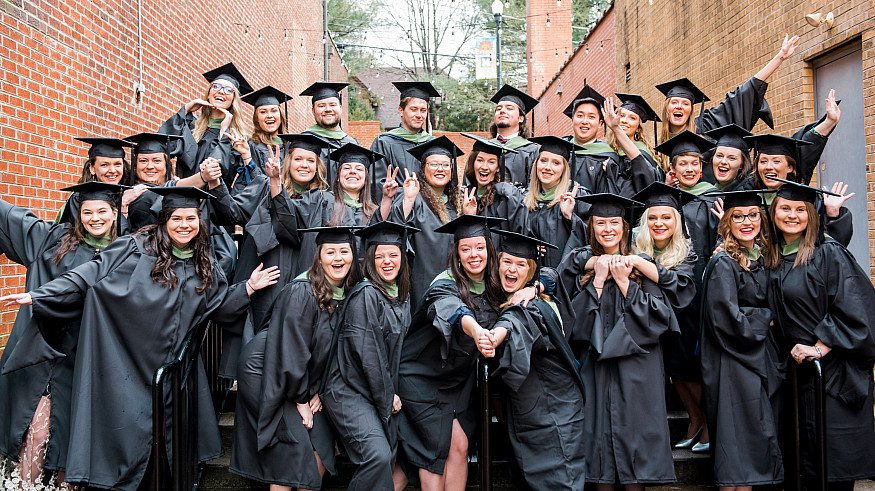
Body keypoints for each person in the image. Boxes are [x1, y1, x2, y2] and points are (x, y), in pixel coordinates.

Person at [0, 187, 278, 491]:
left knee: (162, 448)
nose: (184, 225)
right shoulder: (135, 248)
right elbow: (89, 274)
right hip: (126, 365)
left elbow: (216, 307)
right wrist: (39, 295)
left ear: (200, 223)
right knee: (125, 443)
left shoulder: (204, 265)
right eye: (176, 218)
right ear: (163, 221)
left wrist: (247, 289)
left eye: (191, 219)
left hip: (168, 374)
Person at [0, 182, 124, 488]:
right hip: (47, 352)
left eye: (101, 211)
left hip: (93, 359)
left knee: (76, 438)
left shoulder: (128, 250)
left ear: (115, 212)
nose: (94, 218)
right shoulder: (55, 240)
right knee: (36, 432)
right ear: (78, 214)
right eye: (87, 212)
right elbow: (12, 217)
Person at [559, 193, 678, 489]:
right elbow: (572, 324)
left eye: (614, 222)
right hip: (597, 367)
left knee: (634, 450)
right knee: (598, 448)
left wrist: (625, 283)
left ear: (625, 227)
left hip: (638, 367)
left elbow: (659, 319)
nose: (608, 229)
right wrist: (598, 282)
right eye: (600, 223)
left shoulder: (643, 264)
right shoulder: (580, 268)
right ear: (591, 227)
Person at [230, 226, 360, 491]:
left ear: (353, 256)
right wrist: (301, 398)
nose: (338, 258)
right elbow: (291, 349)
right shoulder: (303, 290)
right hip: (266, 373)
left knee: (322, 442)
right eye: (330, 252)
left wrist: (318, 391)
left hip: (299, 377)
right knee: (291, 445)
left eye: (344, 251)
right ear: (318, 257)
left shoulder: (346, 294)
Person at [764, 180, 875, 489]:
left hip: (832, 375)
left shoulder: (828, 253)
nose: (792, 215)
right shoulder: (774, 256)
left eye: (801, 210)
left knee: (831, 466)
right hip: (797, 377)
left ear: (812, 216)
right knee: (805, 465)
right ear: (773, 212)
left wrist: (821, 345)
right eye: (784, 208)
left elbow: (856, 304)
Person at [395, 215, 509, 491]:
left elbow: (546, 276)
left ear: (489, 249)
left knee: (459, 445)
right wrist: (477, 331)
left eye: (480, 247)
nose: (474, 255)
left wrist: (535, 288)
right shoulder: (444, 283)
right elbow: (453, 310)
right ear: (456, 254)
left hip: (455, 383)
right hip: (421, 378)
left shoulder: (496, 283)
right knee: (435, 451)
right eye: (466, 248)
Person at [480, 229, 587, 490]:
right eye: (507, 262)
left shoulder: (534, 306)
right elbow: (550, 276)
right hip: (535, 413)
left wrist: (497, 335)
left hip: (555, 416)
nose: (512, 269)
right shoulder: (527, 293)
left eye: (521, 264)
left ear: (531, 271)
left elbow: (519, 321)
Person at [322, 221, 419, 491]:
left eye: (393, 255)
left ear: (403, 258)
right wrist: (388, 397)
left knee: (400, 453)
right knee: (377, 455)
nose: (387, 262)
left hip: (374, 389)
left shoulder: (401, 295)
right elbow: (369, 356)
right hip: (348, 389)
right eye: (379, 256)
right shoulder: (366, 294)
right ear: (369, 260)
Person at [700, 190, 784, 490]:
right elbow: (724, 318)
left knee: (751, 442)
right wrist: (763, 318)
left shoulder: (762, 257)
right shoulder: (724, 263)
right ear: (727, 223)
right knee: (736, 447)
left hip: (756, 357)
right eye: (737, 216)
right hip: (733, 361)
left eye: (752, 216)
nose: (746, 222)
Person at [631, 181, 707, 452]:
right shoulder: (635, 247)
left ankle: (707, 423)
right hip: (651, 323)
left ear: (677, 221)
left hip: (683, 320)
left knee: (685, 372)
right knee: (674, 376)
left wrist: (644, 265)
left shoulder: (687, 251)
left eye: (666, 217)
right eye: (652, 218)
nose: (659, 223)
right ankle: (695, 420)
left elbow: (680, 286)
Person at [655, 34, 800, 144]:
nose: (679, 106)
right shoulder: (659, 143)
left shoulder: (707, 125)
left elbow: (742, 95)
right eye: (674, 102)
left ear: (691, 110)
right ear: (667, 107)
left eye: (685, 104)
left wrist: (780, 57)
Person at [385, 136, 466, 308]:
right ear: (423, 169)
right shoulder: (413, 196)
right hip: (420, 285)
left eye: (445, 165)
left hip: (455, 285)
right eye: (433, 164)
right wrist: (408, 199)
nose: (440, 169)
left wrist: (468, 214)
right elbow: (397, 229)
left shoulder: (458, 202)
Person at [159, 62, 252, 188]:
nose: (221, 92)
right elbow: (162, 146)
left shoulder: (238, 137)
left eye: (228, 90)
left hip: (214, 202)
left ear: (233, 100)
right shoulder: (192, 125)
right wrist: (185, 111)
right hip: (183, 195)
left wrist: (223, 132)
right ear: (209, 93)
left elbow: (222, 170)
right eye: (216, 86)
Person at [522, 135, 588, 268]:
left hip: (565, 276)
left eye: (556, 163)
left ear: (564, 168)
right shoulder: (524, 198)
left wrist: (570, 217)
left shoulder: (577, 196)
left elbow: (591, 239)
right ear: (536, 164)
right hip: (530, 276)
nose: (547, 167)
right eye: (543, 160)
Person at [370, 82, 439, 201]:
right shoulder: (383, 143)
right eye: (413, 109)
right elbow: (377, 185)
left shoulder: (434, 144)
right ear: (401, 110)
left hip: (430, 213)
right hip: (395, 214)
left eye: (423, 110)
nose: (419, 115)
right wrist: (409, 198)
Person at [56, 137, 133, 224]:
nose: (112, 170)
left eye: (117, 164)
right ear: (92, 168)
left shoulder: (131, 195)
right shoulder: (78, 198)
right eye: (104, 165)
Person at [461, 133, 527, 233]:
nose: (484, 167)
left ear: (497, 168)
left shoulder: (505, 197)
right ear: (473, 163)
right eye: (479, 160)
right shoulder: (464, 196)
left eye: (491, 162)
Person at [562, 84, 620, 193]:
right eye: (580, 116)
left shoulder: (608, 156)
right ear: (572, 119)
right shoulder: (560, 149)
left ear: (600, 123)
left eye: (591, 117)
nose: (585, 121)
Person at [300, 82, 361, 185]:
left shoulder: (352, 143)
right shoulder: (302, 141)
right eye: (321, 106)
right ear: (313, 111)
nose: (328, 109)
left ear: (340, 108)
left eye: (332, 105)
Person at [603, 95, 662, 196]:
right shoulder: (608, 150)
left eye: (632, 118)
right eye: (622, 115)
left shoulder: (642, 155)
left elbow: (638, 190)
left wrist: (612, 170)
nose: (625, 120)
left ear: (638, 128)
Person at [488, 84, 541, 187]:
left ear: (521, 118)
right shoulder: (483, 148)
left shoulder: (532, 151)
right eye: (498, 109)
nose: (502, 111)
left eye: (509, 108)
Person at [238, 85, 293, 179]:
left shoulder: (291, 144)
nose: (269, 116)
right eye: (263, 112)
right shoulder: (251, 146)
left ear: (280, 115)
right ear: (257, 118)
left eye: (274, 111)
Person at [701, 124, 754, 192]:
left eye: (732, 158)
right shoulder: (706, 190)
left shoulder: (746, 194)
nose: (723, 161)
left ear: (742, 164)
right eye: (719, 156)